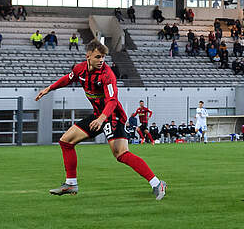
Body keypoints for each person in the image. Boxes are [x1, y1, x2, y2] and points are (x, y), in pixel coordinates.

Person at [36, 41, 165, 199]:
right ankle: (70, 184)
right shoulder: (79, 69)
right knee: (66, 141)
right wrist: (49, 88)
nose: (101, 60)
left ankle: (157, 183)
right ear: (88, 56)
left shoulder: (107, 75)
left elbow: (112, 100)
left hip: (112, 116)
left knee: (121, 154)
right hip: (98, 115)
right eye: (98, 57)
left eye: (103, 57)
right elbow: (68, 79)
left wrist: (102, 119)